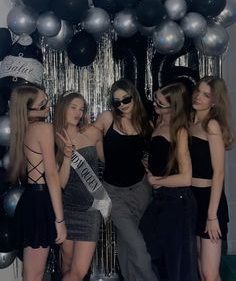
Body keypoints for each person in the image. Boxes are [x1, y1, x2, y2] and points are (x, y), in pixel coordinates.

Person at [94, 78, 157, 281]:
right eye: (117, 102)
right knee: (137, 244)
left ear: (134, 97)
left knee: (127, 243)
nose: (122, 105)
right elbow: (90, 138)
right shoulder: (107, 118)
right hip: (114, 192)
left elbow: (149, 155)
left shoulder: (146, 123)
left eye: (126, 99)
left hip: (141, 190)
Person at [139, 82, 198, 281]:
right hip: (162, 199)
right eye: (155, 99)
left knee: (175, 262)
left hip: (177, 201)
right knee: (157, 256)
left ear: (173, 106)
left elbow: (186, 177)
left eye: (159, 102)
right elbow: (163, 159)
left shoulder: (179, 130)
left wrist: (158, 179)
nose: (154, 104)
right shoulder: (158, 122)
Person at [8, 84, 67, 281]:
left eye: (47, 101)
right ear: (28, 110)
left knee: (32, 273)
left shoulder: (22, 130)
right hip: (41, 201)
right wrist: (60, 221)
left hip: (30, 200)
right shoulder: (43, 128)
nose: (48, 107)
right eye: (43, 105)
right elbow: (51, 175)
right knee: (34, 274)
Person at [54, 92, 105, 281]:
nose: (77, 112)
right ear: (63, 108)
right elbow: (60, 183)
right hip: (66, 209)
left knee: (79, 272)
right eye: (73, 107)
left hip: (90, 210)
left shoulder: (92, 133)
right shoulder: (54, 137)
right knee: (66, 265)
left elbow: (108, 162)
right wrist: (67, 156)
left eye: (81, 109)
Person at [189, 76, 234, 281]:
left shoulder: (212, 125)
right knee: (199, 262)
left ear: (214, 101)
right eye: (198, 91)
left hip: (210, 201)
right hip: (192, 199)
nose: (198, 97)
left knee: (209, 273)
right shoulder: (190, 123)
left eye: (206, 95)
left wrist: (212, 215)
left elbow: (219, 173)